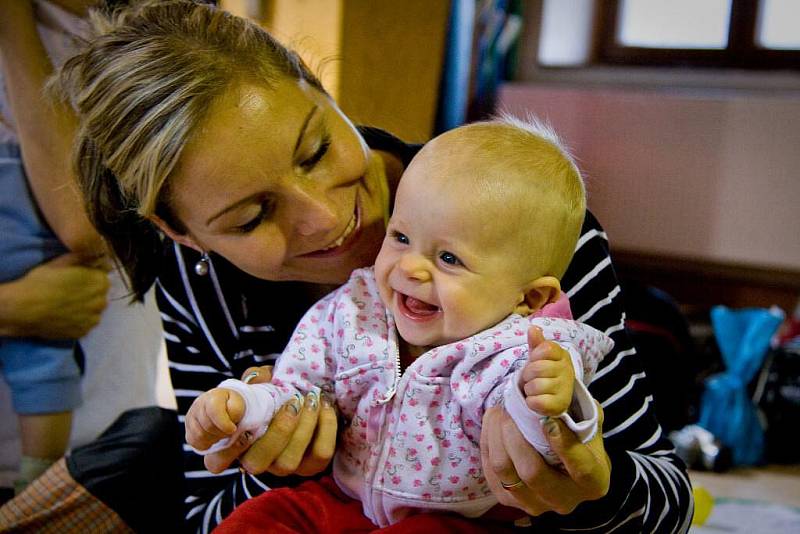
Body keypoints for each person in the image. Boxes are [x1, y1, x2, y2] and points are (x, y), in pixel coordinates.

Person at [22, 1, 691, 531]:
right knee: (138, 447)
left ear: (321, 87)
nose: (324, 219)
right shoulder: (199, 286)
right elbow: (211, 513)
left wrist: (586, 484)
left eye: (314, 150)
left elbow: (669, 504)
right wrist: (276, 465)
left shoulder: (514, 219)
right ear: (183, 235)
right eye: (252, 217)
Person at [187, 117, 616, 530]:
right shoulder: (354, 311)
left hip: (455, 520)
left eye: (449, 258)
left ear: (529, 297)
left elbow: (540, 438)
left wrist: (546, 398)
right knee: (262, 517)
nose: (411, 267)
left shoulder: (518, 351)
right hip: (345, 499)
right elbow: (296, 388)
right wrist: (244, 407)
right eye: (401, 238)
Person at [0, 0, 111, 494]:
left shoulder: (157, 25)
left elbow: (85, 223)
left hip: (90, 455)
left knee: (44, 365)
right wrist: (11, 308)